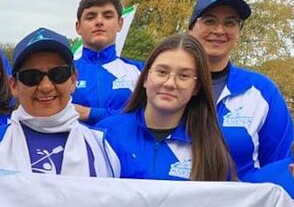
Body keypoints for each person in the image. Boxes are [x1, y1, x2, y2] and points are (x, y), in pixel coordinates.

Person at [0, 27, 119, 176]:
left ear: (73, 80)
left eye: (58, 74)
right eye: (31, 76)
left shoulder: (103, 146)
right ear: (14, 86)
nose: (46, 87)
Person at [187, 0, 294, 179]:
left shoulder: (263, 91)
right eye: (210, 21)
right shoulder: (165, 85)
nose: (219, 30)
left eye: (230, 23)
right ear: (191, 28)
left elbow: (281, 166)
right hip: (173, 197)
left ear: (239, 32)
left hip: (243, 199)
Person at [96, 34, 234, 181]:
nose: (170, 83)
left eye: (183, 76)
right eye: (162, 72)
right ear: (145, 78)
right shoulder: (106, 133)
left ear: (196, 87)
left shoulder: (211, 151)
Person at [71, 0, 142, 125]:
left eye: (108, 16)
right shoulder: (62, 72)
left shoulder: (140, 71)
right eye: (90, 17)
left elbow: (148, 117)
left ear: (120, 24)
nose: (99, 22)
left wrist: (89, 113)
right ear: (78, 27)